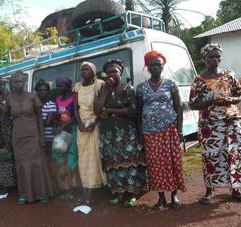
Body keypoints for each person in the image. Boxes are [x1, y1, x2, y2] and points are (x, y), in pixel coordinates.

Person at [189, 43, 241, 204]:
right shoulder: (198, 81)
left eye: (217, 56)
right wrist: (210, 101)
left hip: (231, 122)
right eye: (211, 57)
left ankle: (236, 189)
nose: (215, 59)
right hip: (209, 126)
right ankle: (209, 190)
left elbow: (239, 95)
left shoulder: (229, 75)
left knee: (233, 153)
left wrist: (231, 100)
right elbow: (192, 104)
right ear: (204, 58)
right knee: (210, 156)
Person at [136, 50, 186, 211]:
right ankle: (161, 198)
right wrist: (141, 133)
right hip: (150, 132)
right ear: (147, 67)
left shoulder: (171, 84)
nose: (156, 67)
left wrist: (180, 131)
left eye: (159, 64)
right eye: (153, 65)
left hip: (169, 129)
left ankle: (174, 196)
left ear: (163, 67)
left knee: (172, 162)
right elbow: (139, 111)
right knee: (155, 165)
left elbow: (178, 108)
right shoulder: (141, 87)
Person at [95, 59, 148, 208]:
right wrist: (105, 89)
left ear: (121, 74)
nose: (111, 75)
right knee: (113, 164)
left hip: (127, 134)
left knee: (129, 163)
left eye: (115, 72)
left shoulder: (128, 89)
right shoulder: (103, 90)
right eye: (109, 73)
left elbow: (133, 111)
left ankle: (130, 194)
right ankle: (117, 193)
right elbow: (97, 110)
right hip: (108, 135)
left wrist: (111, 110)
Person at [4, 71, 54, 204]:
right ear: (12, 84)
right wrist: (16, 125)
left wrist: (42, 136)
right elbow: (5, 117)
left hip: (33, 136)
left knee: (37, 164)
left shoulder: (32, 97)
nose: (18, 84)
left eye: (20, 81)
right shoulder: (9, 99)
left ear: (24, 83)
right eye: (15, 82)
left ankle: (42, 193)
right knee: (22, 165)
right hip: (18, 138)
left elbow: (39, 117)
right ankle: (24, 194)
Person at [73, 61, 107, 206]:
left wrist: (94, 122)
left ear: (93, 71)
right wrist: (81, 125)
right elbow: (75, 108)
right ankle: (85, 191)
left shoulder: (99, 85)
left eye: (87, 69)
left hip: (95, 126)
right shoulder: (78, 87)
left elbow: (101, 106)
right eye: (82, 70)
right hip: (82, 128)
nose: (84, 72)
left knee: (93, 159)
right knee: (83, 160)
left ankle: (91, 194)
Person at [51, 76, 81, 200]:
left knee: (72, 158)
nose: (57, 88)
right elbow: (57, 116)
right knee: (60, 157)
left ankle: (74, 189)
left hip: (72, 130)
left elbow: (76, 115)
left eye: (60, 86)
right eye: (57, 86)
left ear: (67, 87)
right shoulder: (58, 99)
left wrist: (63, 126)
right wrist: (55, 127)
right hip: (61, 131)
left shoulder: (75, 97)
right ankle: (65, 186)